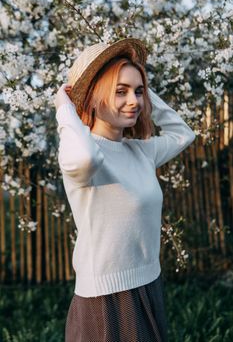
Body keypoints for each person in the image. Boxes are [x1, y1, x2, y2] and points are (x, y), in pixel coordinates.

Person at [54, 38, 196, 342]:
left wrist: (139, 85)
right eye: (120, 92)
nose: (134, 101)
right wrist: (65, 108)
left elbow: (184, 133)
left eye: (138, 92)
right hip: (106, 298)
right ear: (92, 98)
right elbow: (85, 158)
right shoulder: (82, 154)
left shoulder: (140, 152)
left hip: (148, 282)